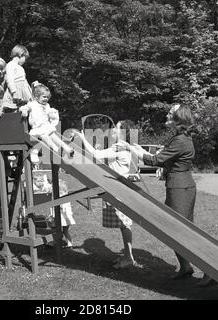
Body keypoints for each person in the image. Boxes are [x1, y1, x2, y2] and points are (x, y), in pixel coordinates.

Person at [116, 105, 203, 279]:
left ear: (178, 118)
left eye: (170, 113)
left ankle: (209, 271)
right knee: (174, 230)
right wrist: (139, 149)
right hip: (178, 187)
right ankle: (186, 267)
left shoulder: (180, 140)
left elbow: (156, 160)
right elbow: (164, 159)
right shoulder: (179, 137)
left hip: (181, 189)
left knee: (181, 231)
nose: (167, 114)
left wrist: (130, 149)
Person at [74, 120, 138, 268]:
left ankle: (128, 258)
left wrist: (83, 138)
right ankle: (128, 256)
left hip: (118, 188)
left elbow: (96, 154)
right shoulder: (121, 146)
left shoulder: (118, 147)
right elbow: (105, 160)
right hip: (119, 186)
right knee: (124, 225)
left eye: (116, 127)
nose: (113, 129)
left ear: (122, 132)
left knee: (125, 224)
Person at [20, 81, 74, 161]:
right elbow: (24, 107)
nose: (46, 99)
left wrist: (53, 114)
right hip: (37, 129)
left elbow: (49, 114)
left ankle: (67, 149)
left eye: (47, 97)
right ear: (37, 97)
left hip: (46, 127)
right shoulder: (32, 104)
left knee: (55, 137)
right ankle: (56, 149)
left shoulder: (47, 105)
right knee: (46, 137)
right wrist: (24, 111)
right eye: (44, 97)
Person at [2, 44, 33, 112]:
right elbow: (10, 79)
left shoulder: (20, 68)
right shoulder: (10, 65)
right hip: (16, 90)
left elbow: (24, 80)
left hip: (23, 90)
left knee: (24, 108)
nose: (25, 61)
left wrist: (29, 91)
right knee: (14, 108)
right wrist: (14, 92)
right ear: (21, 55)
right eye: (25, 58)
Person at [49, 179, 76, 248]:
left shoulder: (59, 196)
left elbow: (59, 206)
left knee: (56, 231)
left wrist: (53, 215)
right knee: (65, 231)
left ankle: (54, 243)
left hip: (61, 216)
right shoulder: (66, 195)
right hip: (66, 217)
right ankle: (69, 244)